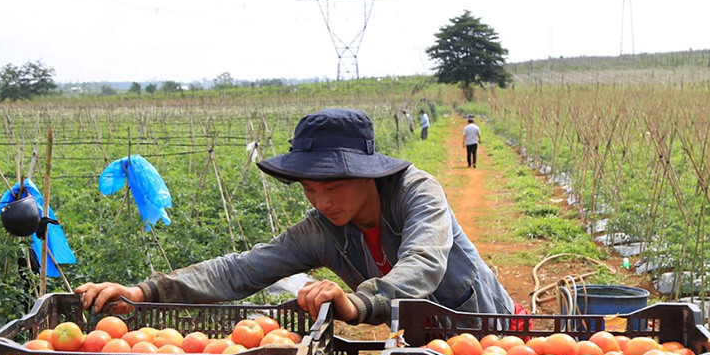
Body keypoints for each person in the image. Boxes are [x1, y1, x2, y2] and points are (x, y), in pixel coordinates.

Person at [76, 108, 516, 326]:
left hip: (491, 333)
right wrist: (146, 290)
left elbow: (424, 261)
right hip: (424, 346)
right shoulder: (322, 231)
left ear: (365, 175)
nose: (321, 202)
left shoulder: (417, 192)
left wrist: (359, 302)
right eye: (310, 189)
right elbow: (243, 269)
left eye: (332, 187)